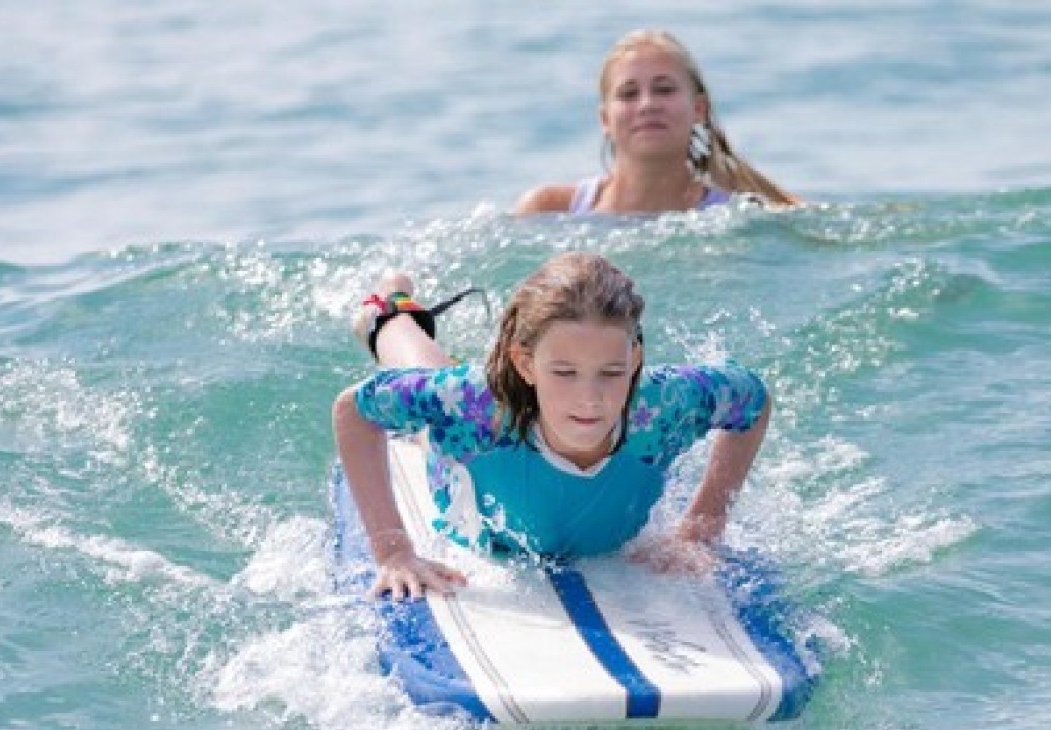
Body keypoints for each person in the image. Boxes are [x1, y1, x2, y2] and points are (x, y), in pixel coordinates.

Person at [333, 251, 771, 600]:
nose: (590, 397)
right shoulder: (475, 408)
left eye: (611, 372)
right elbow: (354, 410)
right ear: (525, 364)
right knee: (428, 382)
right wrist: (393, 551)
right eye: (565, 372)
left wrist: (703, 525)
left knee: (441, 384)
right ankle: (388, 310)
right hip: (471, 451)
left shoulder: (661, 404)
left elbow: (753, 400)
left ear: (634, 359)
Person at [514, 29, 800, 216]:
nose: (648, 104)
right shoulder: (548, 211)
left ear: (699, 109)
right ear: (605, 119)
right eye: (629, 94)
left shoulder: (736, 217)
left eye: (664, 89)